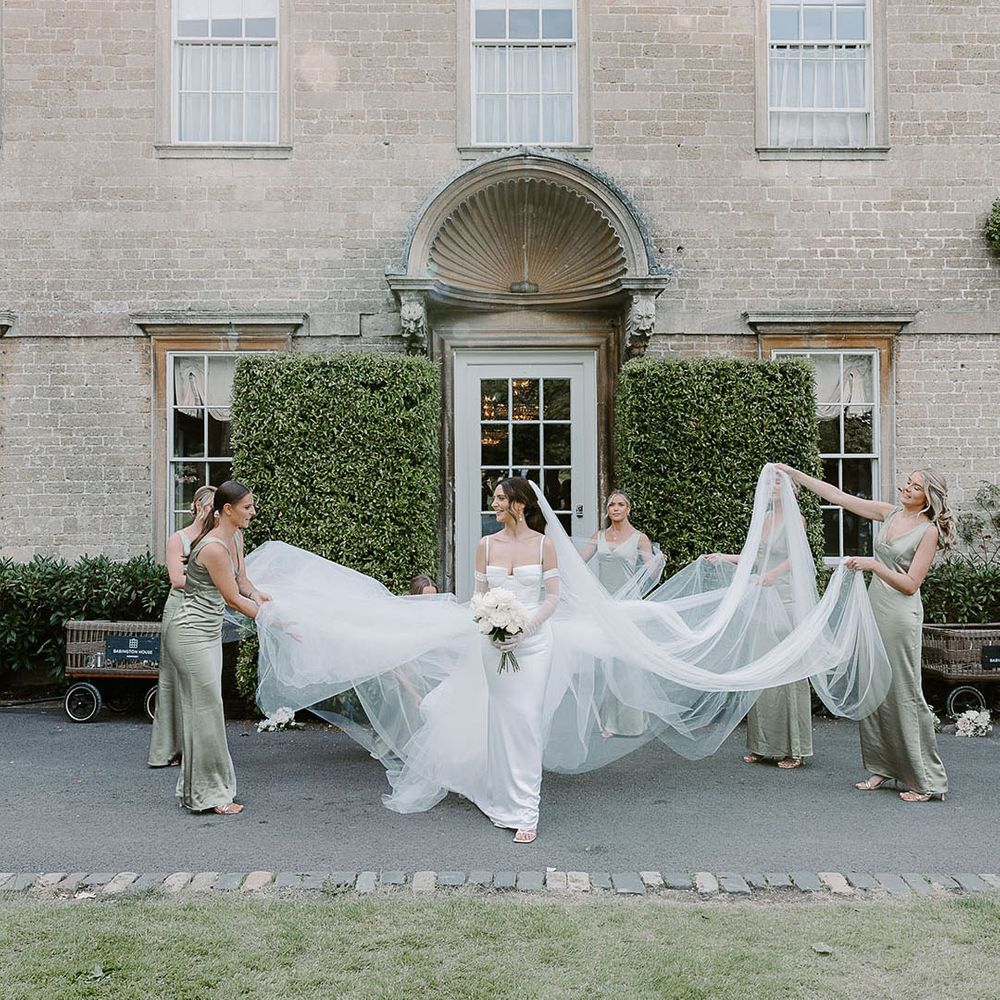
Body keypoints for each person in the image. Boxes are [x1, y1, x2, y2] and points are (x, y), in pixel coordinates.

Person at [776, 464, 952, 802]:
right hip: (874, 609)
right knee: (873, 685)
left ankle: (925, 779)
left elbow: (911, 584)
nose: (906, 489)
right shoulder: (889, 513)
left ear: (928, 498)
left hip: (900, 616)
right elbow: (838, 496)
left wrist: (874, 565)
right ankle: (882, 767)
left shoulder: (928, 531)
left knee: (903, 691)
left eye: (915, 488)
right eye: (907, 483)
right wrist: (794, 474)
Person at [164, 480, 271, 815]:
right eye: (247, 507)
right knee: (205, 712)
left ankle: (195, 790)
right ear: (227, 510)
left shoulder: (234, 538)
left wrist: (260, 597)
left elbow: (243, 585)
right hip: (189, 633)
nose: (253, 512)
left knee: (205, 711)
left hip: (207, 634)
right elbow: (232, 600)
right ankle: (209, 795)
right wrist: (271, 621)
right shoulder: (212, 547)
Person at [472, 477, 559, 843]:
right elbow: (477, 596)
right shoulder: (485, 545)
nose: (494, 504)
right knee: (502, 719)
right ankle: (503, 803)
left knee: (525, 720)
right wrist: (488, 624)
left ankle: (527, 811)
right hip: (493, 645)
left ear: (520, 505)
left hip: (534, 644)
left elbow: (553, 597)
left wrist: (524, 630)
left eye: (500, 498)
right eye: (494, 498)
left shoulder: (544, 545)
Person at [706, 475, 812, 769]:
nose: (773, 488)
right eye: (771, 484)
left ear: (791, 490)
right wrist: (724, 558)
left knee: (788, 670)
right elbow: (754, 556)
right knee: (762, 669)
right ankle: (763, 745)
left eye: (778, 484)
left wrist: (774, 574)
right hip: (762, 598)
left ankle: (795, 748)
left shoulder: (796, 520)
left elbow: (798, 557)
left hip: (787, 597)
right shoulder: (764, 518)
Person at [581, 491, 662, 737]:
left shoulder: (640, 539)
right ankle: (610, 722)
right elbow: (579, 561)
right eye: (611, 505)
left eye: (620, 504)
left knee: (629, 662)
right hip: (605, 607)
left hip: (629, 607)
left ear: (629, 509)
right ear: (607, 510)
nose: (615, 508)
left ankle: (634, 722)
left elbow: (649, 571)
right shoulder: (599, 536)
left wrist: (658, 563)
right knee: (608, 661)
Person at [148, 484, 216, 768]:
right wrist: (213, 581)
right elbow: (177, 579)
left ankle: (196, 747)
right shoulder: (178, 538)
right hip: (180, 608)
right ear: (198, 506)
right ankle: (170, 747)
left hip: (207, 611)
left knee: (201, 681)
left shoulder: (217, 539)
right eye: (210, 505)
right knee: (173, 679)